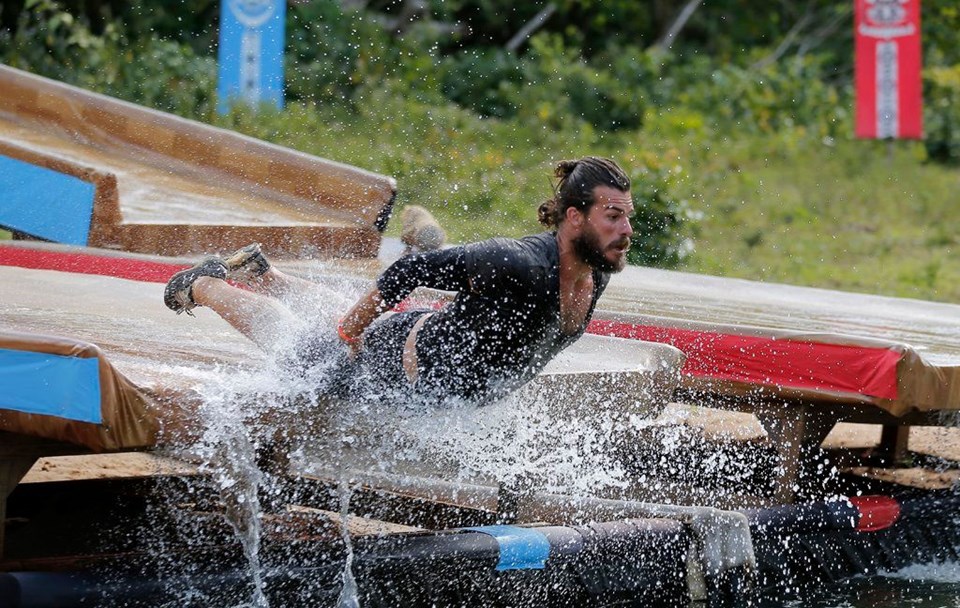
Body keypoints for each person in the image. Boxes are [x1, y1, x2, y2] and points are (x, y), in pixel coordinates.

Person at [163, 156, 635, 404]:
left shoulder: (597, 269)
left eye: (628, 218)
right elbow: (406, 272)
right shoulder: (519, 263)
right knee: (295, 347)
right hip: (392, 367)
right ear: (574, 217)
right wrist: (349, 333)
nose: (626, 231)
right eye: (613, 216)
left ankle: (264, 274)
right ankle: (205, 284)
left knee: (350, 321)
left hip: (432, 346)